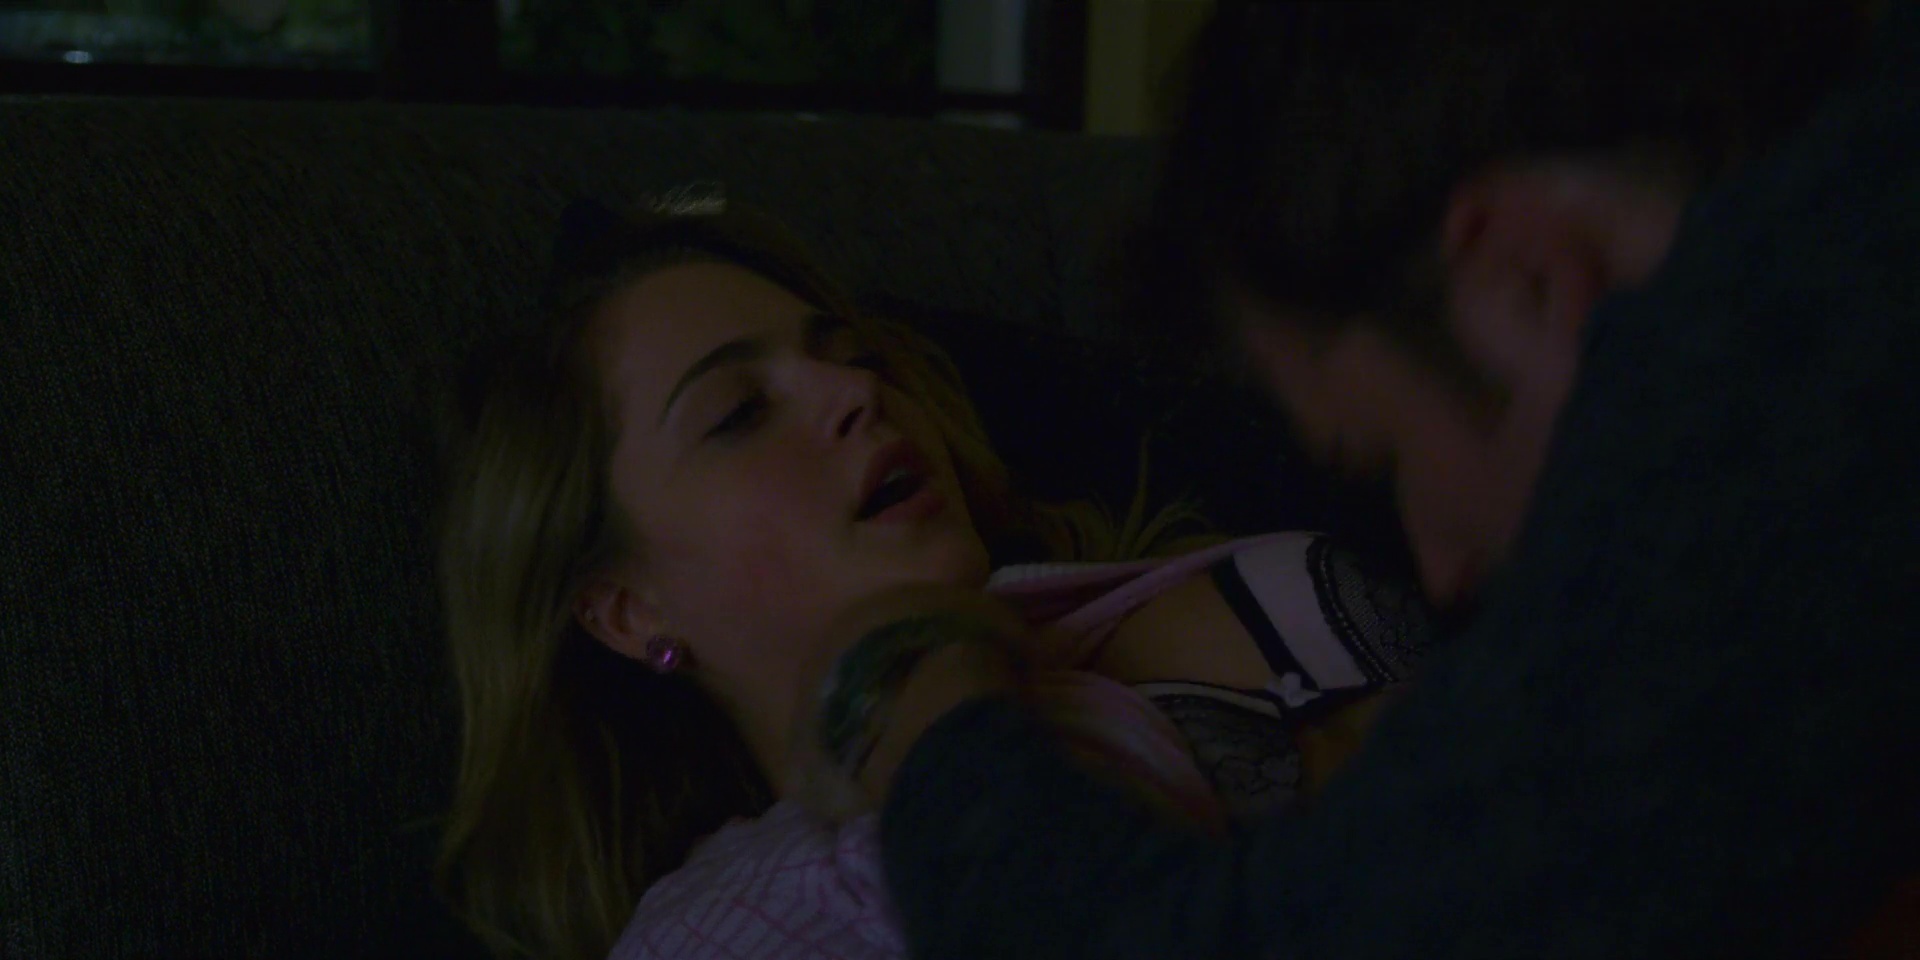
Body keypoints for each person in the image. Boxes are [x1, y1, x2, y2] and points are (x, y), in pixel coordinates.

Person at [807, 2, 1920, 959]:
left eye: (1384, 456)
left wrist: (918, 700)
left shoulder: (1764, 392)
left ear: (1526, 276)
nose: (1442, 569)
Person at [432, 197, 1439, 960]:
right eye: (739, 412)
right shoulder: (732, 920)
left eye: (854, 356)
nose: (854, 389)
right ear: (626, 610)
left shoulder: (1225, 568)